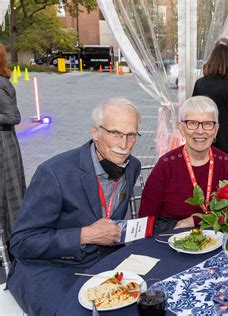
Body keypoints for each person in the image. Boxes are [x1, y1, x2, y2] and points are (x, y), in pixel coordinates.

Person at [6, 97, 142, 315]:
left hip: (102, 261)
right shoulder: (54, 173)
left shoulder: (132, 166)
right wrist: (85, 235)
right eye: (115, 133)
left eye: (131, 135)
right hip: (50, 266)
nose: (124, 144)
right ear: (95, 133)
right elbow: (21, 243)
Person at [139, 96, 228, 231]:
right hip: (171, 235)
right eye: (192, 123)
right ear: (181, 129)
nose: (200, 131)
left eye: (208, 124)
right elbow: (145, 219)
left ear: (216, 129)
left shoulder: (227, 165)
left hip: (217, 235)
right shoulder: (165, 165)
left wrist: (195, 219)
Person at [0, 44, 26, 247]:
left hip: (4, 147)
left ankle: (13, 242)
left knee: (9, 196)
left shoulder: (1, 85)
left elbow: (13, 116)